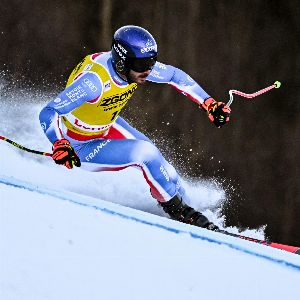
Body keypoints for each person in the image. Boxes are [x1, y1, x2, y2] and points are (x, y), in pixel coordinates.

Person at [39, 25, 231, 231]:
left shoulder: (135, 68)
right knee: (145, 154)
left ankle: (192, 209)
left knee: (161, 164)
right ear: (122, 62)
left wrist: (208, 103)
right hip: (79, 145)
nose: (147, 70)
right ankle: (181, 213)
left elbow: (175, 76)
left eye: (151, 62)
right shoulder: (93, 83)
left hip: (105, 125)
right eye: (141, 64)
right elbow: (49, 112)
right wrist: (60, 144)